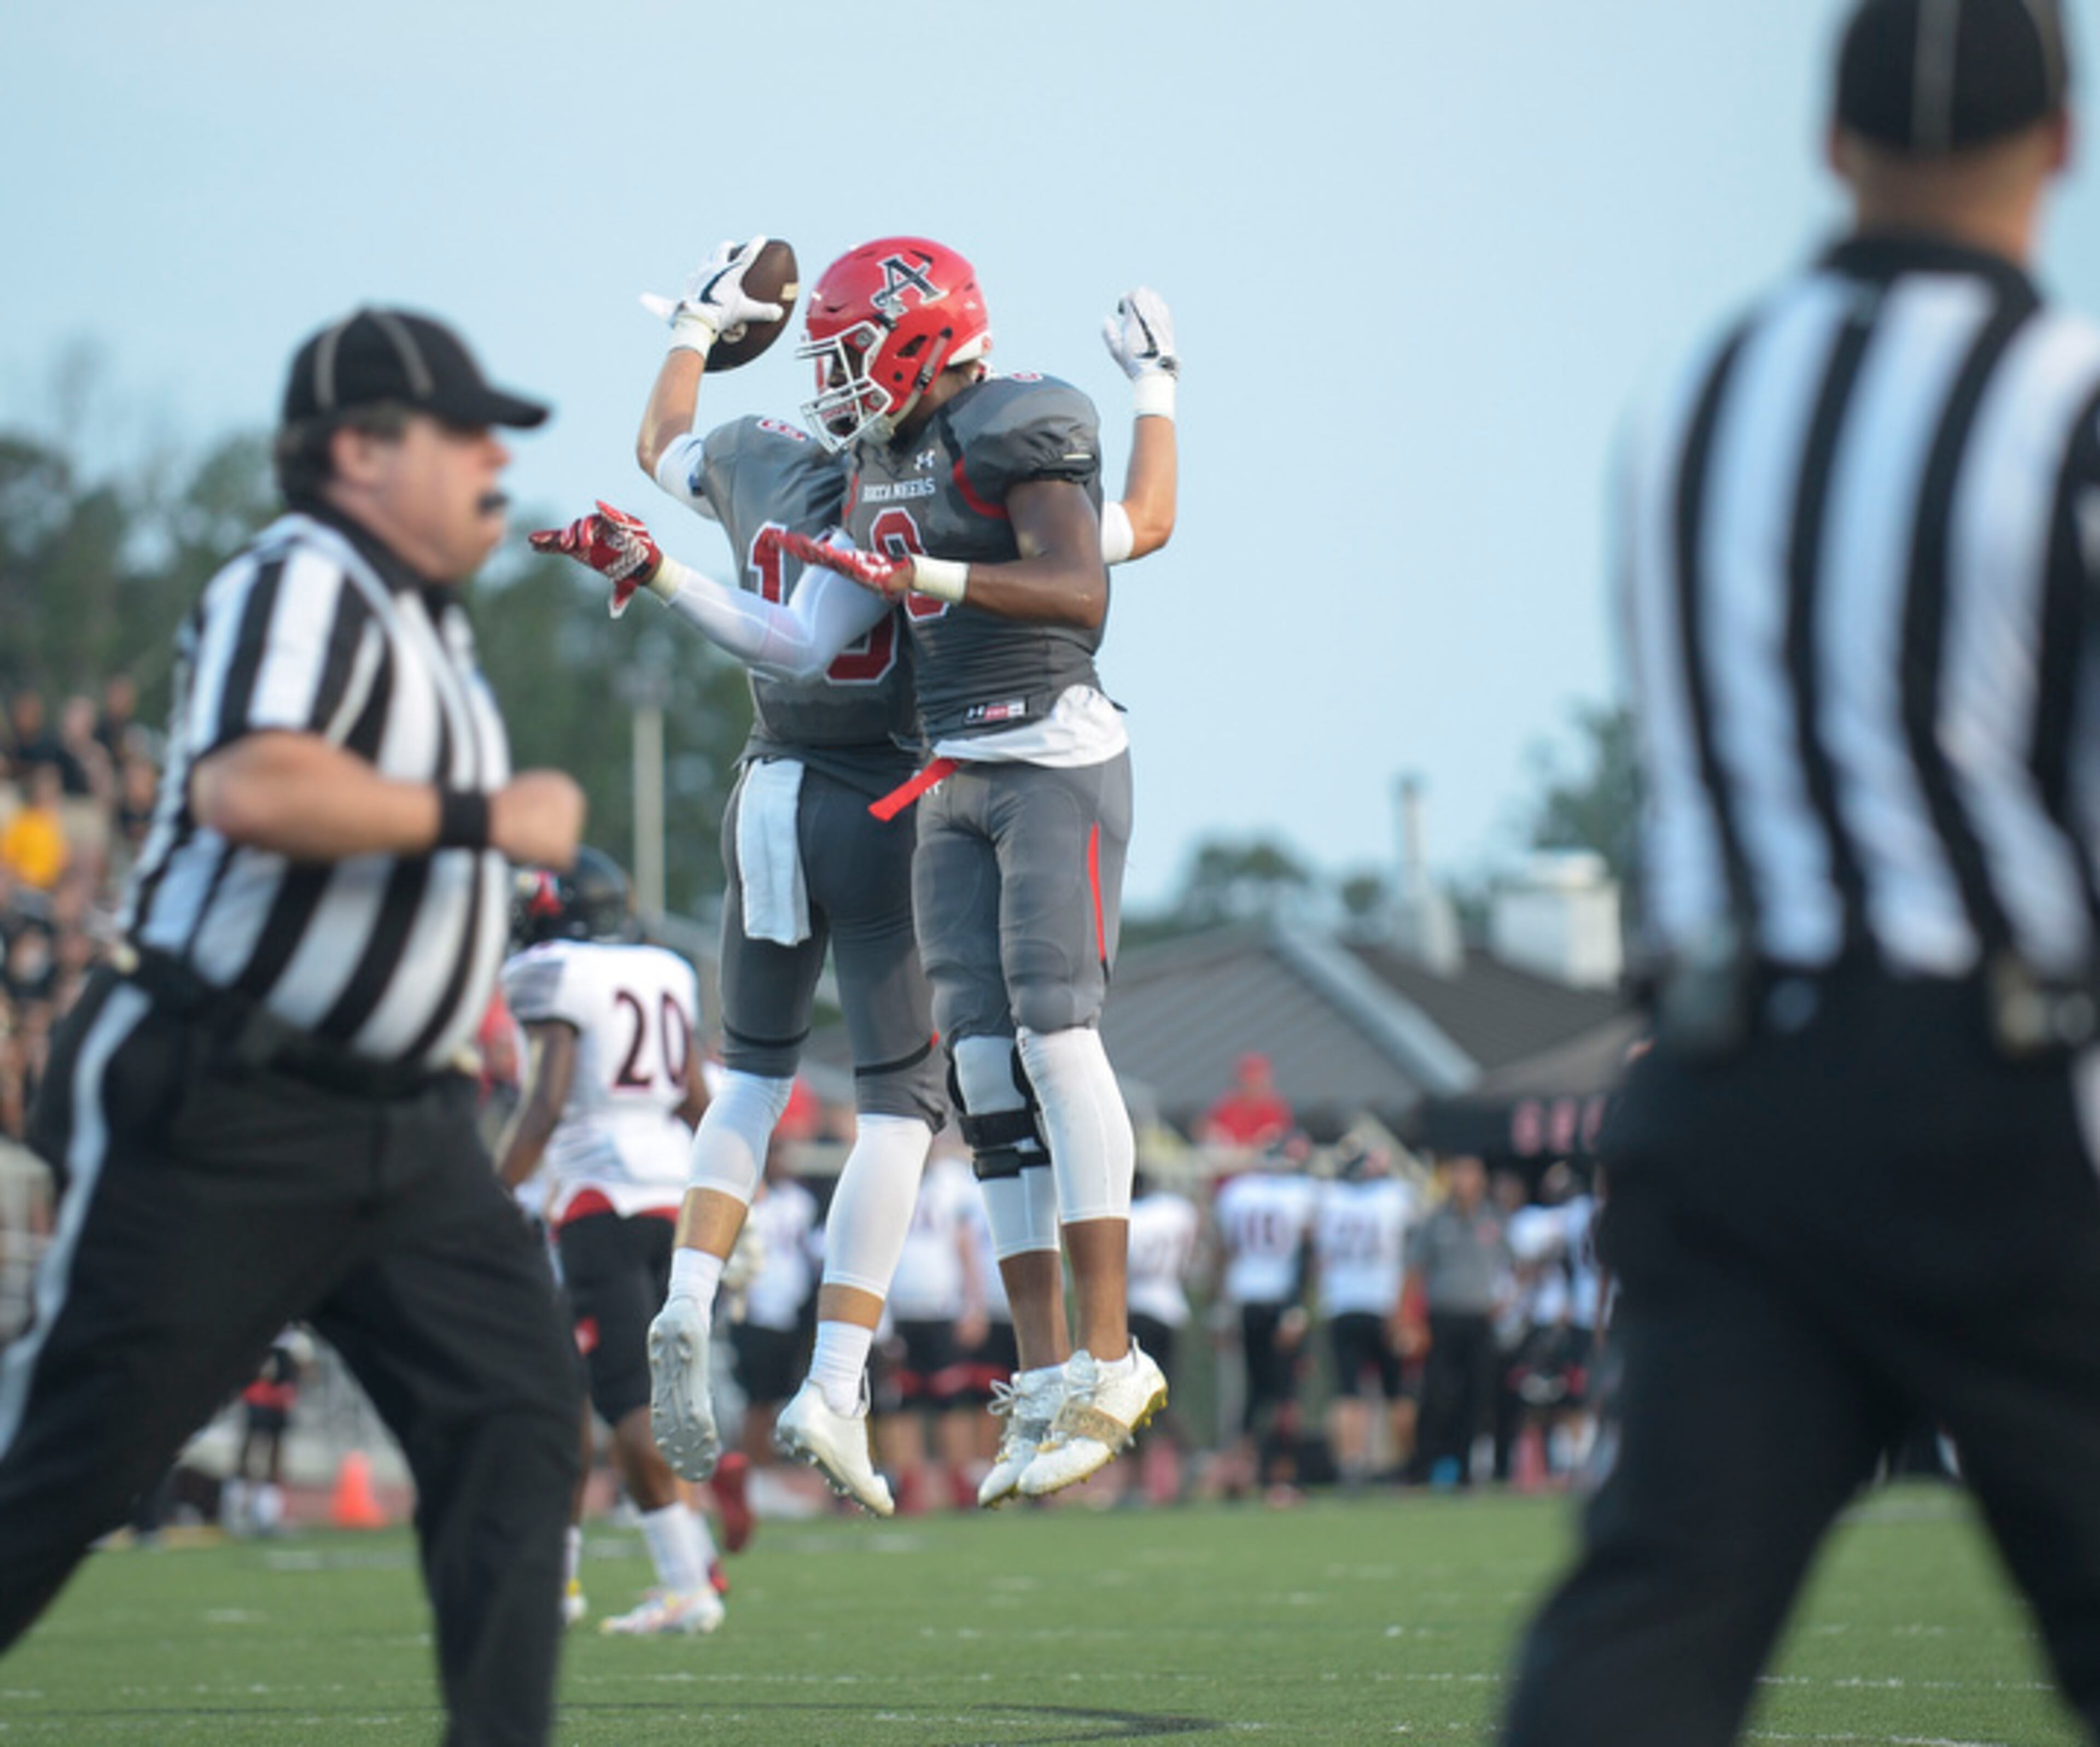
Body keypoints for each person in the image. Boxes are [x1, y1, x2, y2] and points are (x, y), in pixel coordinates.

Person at [1502, 4, 2100, 1740]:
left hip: (1724, 1090)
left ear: (1830, 146)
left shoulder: (1697, 395)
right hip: (1990, 1099)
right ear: (2058, 142)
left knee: (1647, 1629)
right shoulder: (2057, 403)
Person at [0, 307, 587, 1747]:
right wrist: (484, 818)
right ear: (359, 449)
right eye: (464, 432)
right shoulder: (306, 576)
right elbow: (251, 787)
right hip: (236, 1099)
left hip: (405, 1122)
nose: (496, 461)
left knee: (519, 1410)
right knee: (74, 1464)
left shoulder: (426, 622)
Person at [532, 238, 1180, 1511]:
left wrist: (1158, 392)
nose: (834, 382)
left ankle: (1098, 1351)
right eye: (821, 361)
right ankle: (1001, 1370)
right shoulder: (868, 470)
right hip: (922, 778)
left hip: (969, 762)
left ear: (916, 338)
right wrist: (663, 574)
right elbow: (811, 626)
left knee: (1015, 1050)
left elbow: (1090, 573)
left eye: (847, 354)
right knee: (954, 1080)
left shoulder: (998, 430)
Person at [498, 846, 723, 1635]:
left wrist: (489, 1196)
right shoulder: (665, 968)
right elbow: (698, 1097)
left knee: (622, 1396)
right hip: (677, 1196)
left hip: (601, 1198)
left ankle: (688, 1580)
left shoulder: (554, 971)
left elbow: (548, 1100)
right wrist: (736, 1202)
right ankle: (569, 1580)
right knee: (574, 1386)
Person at [1211, 1145, 1319, 1499]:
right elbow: (1306, 1253)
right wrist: (1297, 1308)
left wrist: (1220, 1309)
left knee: (1253, 1394)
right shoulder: (1301, 1193)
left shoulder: (1237, 1193)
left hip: (1246, 1298)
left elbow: (1223, 1253)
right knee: (1286, 1394)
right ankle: (1280, 1476)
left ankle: (1241, 1474)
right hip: (1281, 1300)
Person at [1311, 1141, 1416, 1488]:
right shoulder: (1395, 1196)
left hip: (1341, 1302)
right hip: (1385, 1303)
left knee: (1348, 1391)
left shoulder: (1327, 1198)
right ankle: (1403, 1466)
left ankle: (1351, 1466)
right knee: (1397, 1390)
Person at [1407, 1155, 1509, 1488]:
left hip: (1479, 1318)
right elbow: (1414, 1270)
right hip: (1443, 1317)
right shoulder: (1437, 1221)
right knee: (1435, 1394)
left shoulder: (1493, 1219)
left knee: (1478, 1396)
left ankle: (1466, 1469)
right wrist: (1410, 1319)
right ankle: (1424, 1467)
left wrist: (1507, 1302)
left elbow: (1516, 1266)